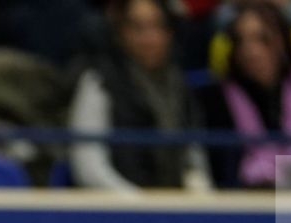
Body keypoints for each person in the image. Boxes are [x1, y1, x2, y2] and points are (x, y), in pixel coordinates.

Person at [69, 0, 215, 192]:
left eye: (157, 26)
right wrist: (137, 202)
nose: (149, 38)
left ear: (170, 33)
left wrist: (200, 194)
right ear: (121, 33)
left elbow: (193, 157)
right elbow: (89, 165)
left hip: (172, 205)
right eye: (138, 28)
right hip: (119, 207)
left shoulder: (179, 84)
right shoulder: (99, 80)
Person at [201, 1, 291, 188]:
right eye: (241, 41)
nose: (251, 51)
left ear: (283, 41)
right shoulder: (216, 101)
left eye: (262, 39)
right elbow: (221, 172)